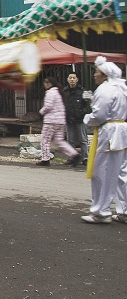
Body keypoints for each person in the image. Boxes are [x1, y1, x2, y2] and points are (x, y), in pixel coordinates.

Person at [81, 57, 127, 224]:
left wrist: (88, 118)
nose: (94, 75)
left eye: (97, 72)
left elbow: (99, 115)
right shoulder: (121, 88)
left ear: (105, 75)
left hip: (109, 133)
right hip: (121, 130)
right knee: (121, 173)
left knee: (102, 172)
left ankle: (101, 211)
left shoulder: (105, 89)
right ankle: (124, 211)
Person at [37, 77, 81, 167]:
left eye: (45, 83)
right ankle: (74, 154)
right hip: (60, 121)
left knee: (45, 140)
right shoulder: (59, 92)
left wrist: (41, 112)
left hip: (51, 121)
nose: (44, 84)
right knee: (59, 141)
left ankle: (45, 159)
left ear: (49, 84)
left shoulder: (50, 92)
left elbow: (48, 106)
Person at [64, 73, 90, 165]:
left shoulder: (82, 91)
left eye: (74, 78)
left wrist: (83, 112)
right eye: (70, 78)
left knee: (83, 140)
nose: (72, 79)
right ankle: (71, 157)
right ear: (67, 79)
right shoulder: (65, 91)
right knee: (70, 140)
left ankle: (85, 158)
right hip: (69, 119)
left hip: (80, 119)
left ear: (77, 79)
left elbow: (87, 104)